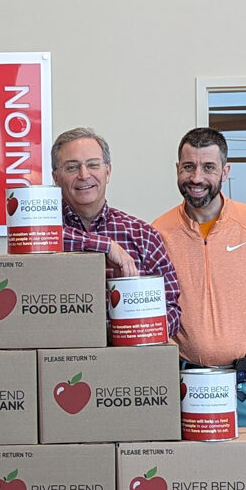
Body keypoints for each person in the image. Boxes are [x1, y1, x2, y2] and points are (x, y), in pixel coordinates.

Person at [153, 127, 246, 459]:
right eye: (189, 167)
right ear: (177, 169)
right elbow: (156, 312)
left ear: (225, 172)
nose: (197, 177)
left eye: (208, 167)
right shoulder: (158, 231)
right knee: (199, 487)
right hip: (188, 387)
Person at [52, 127, 182, 338]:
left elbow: (171, 310)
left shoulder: (143, 236)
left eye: (93, 165)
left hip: (127, 364)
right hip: (58, 362)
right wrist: (105, 246)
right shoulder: (40, 235)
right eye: (72, 167)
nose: (84, 175)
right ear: (56, 177)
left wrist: (130, 331)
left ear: (108, 172)